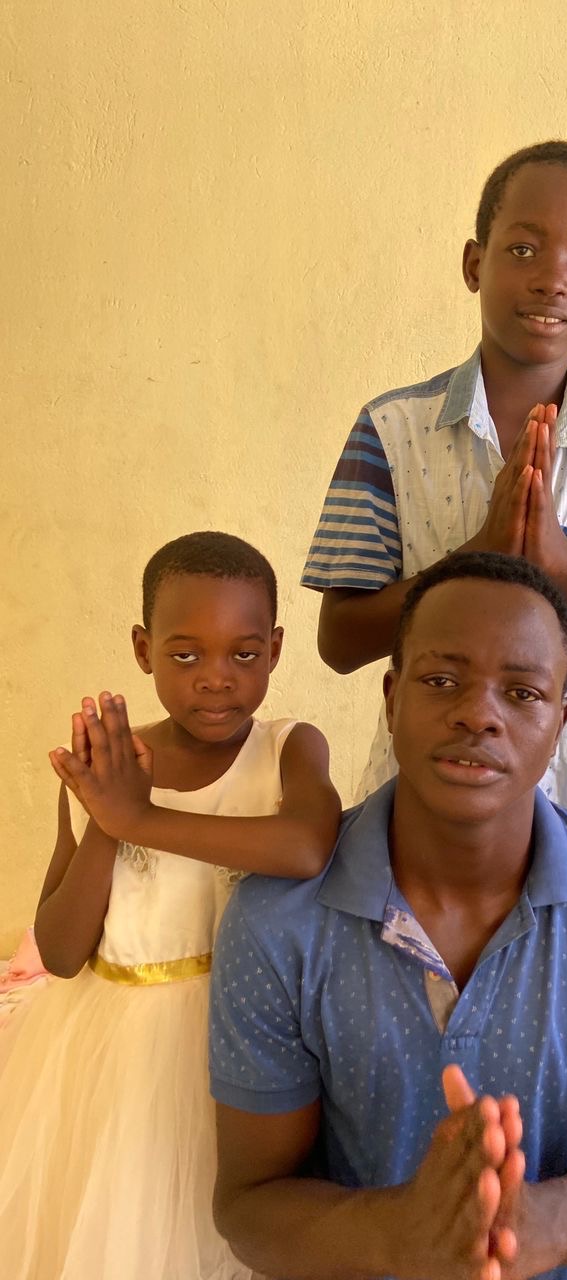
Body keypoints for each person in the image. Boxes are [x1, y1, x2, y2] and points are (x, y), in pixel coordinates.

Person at [211, 551, 567, 1280]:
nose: (478, 714)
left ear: (560, 723)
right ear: (392, 698)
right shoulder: (277, 918)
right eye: (441, 681)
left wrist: (539, 1224)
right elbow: (248, 1204)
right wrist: (400, 1235)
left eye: (522, 693)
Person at [302, 140, 567, 847]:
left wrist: (563, 565)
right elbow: (340, 641)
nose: (553, 279)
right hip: (421, 814)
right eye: (523, 249)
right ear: (473, 264)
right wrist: (477, 555)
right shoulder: (392, 432)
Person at [0, 531, 341, 1280]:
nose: (216, 679)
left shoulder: (289, 749)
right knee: (131, 1235)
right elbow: (61, 953)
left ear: (276, 649)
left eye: (243, 654)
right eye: (185, 655)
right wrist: (107, 816)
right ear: (142, 649)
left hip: (253, 1045)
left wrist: (139, 818)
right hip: (116, 1067)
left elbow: (308, 847)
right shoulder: (108, 767)